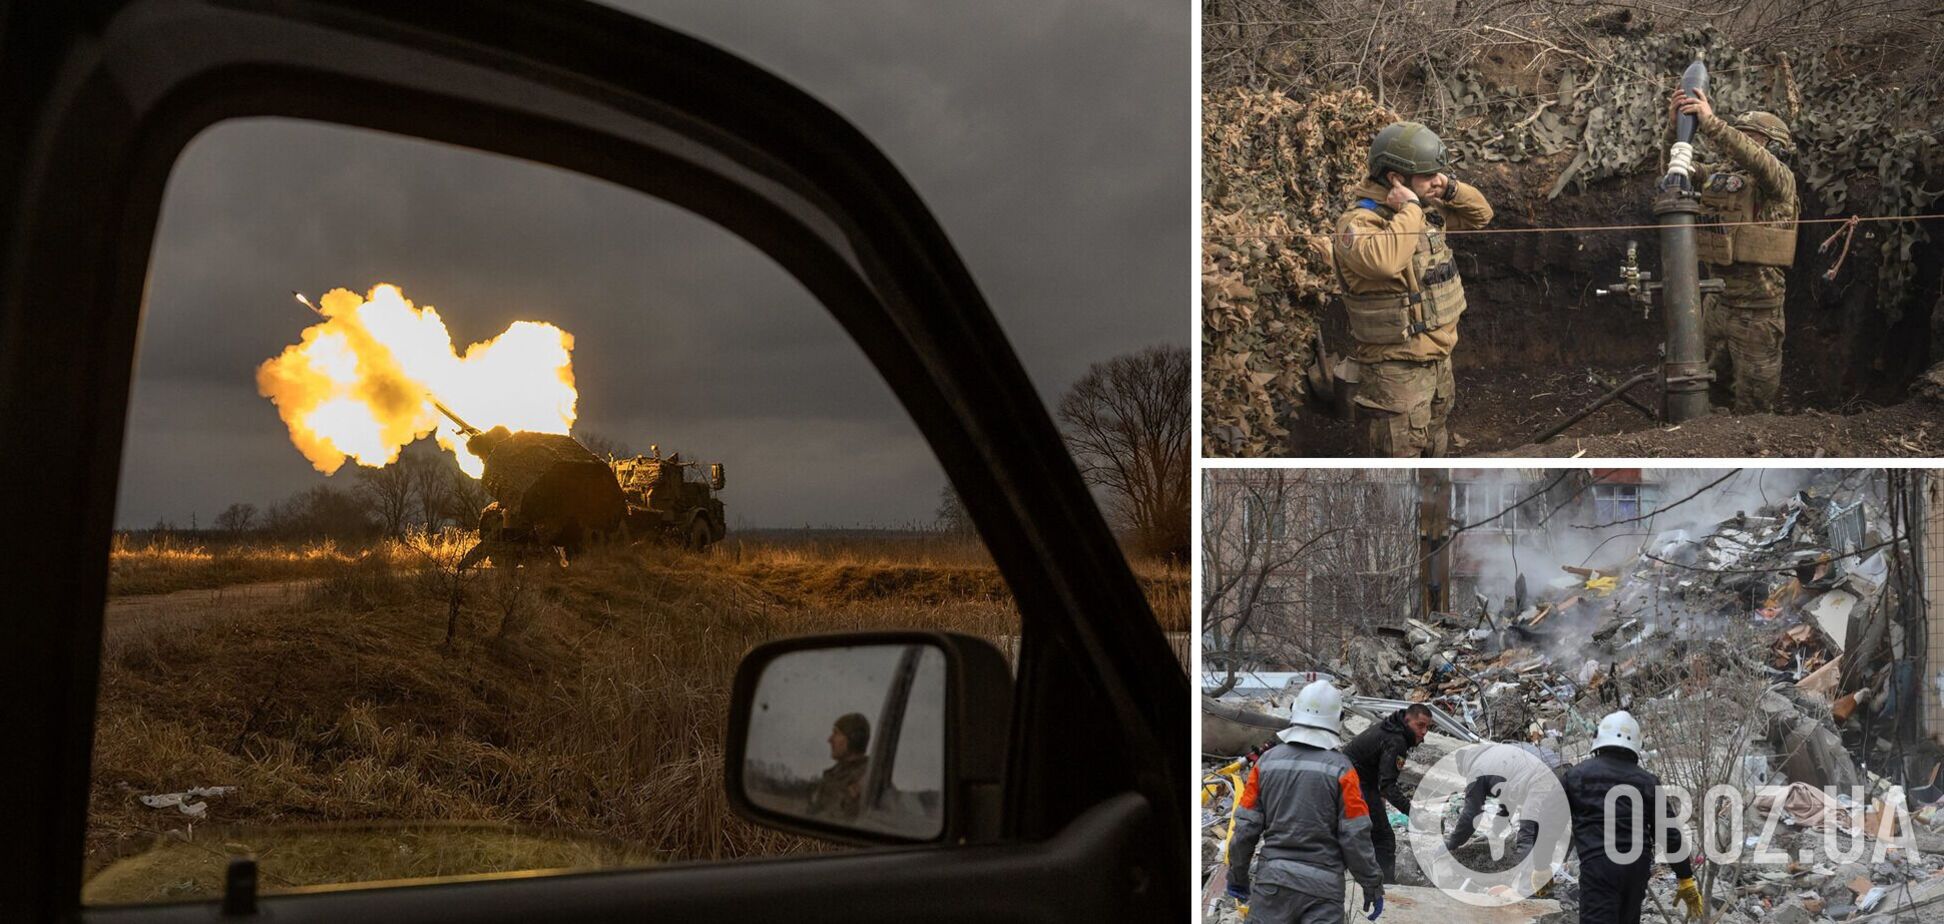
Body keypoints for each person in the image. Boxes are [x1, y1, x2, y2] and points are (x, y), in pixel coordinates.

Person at [1331, 121, 1495, 457]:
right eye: (1428, 175)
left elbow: (1482, 215)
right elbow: (1384, 261)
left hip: (1437, 362)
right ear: (1396, 178)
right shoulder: (1359, 223)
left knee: (1434, 446)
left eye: (1439, 173)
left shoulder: (1424, 210)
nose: (1436, 180)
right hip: (1395, 372)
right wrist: (1410, 208)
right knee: (1399, 458)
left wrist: (1449, 189)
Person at [1667, 88, 1798, 414]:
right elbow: (1674, 175)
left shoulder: (1781, 180)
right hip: (1716, 305)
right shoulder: (1719, 178)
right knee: (1703, 396)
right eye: (1742, 138)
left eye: (1754, 139)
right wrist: (1674, 130)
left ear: (1776, 148)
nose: (1743, 146)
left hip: (1758, 312)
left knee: (1752, 409)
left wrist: (1712, 123)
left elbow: (1757, 159)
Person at [1227, 680, 1386, 922]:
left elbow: (1245, 829)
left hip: (1273, 885)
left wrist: (1237, 876)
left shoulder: (1266, 764)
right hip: (1323, 892)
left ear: (1294, 709)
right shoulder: (1343, 770)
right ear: (1339, 718)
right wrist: (1371, 883)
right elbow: (1355, 835)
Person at [1561, 711, 1704, 923]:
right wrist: (1685, 877)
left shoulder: (1576, 776)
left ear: (1599, 739)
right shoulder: (1647, 781)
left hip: (1599, 865)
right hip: (1636, 868)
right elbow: (1668, 834)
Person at [1441, 740, 1571, 891]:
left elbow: (1471, 814)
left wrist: (1452, 844)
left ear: (1463, 767)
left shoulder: (1475, 769)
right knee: (1560, 828)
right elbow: (1508, 801)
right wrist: (1494, 831)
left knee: (1528, 835)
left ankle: (1527, 891)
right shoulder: (1499, 754)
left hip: (1544, 777)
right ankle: (1564, 869)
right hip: (1564, 767)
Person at [1342, 702, 1433, 882]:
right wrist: (1414, 813)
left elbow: (1379, 771)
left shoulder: (1392, 728)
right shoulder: (1396, 741)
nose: (1424, 732)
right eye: (1420, 725)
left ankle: (1367, 877)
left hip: (1352, 777)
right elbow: (1388, 786)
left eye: (1427, 727)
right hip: (1354, 782)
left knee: (1367, 832)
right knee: (1384, 838)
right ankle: (1387, 888)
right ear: (1407, 721)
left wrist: (1379, 797)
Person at [807, 712, 871, 821]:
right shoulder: (832, 775)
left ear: (854, 738)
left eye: (836, 733)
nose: (830, 739)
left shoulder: (868, 778)